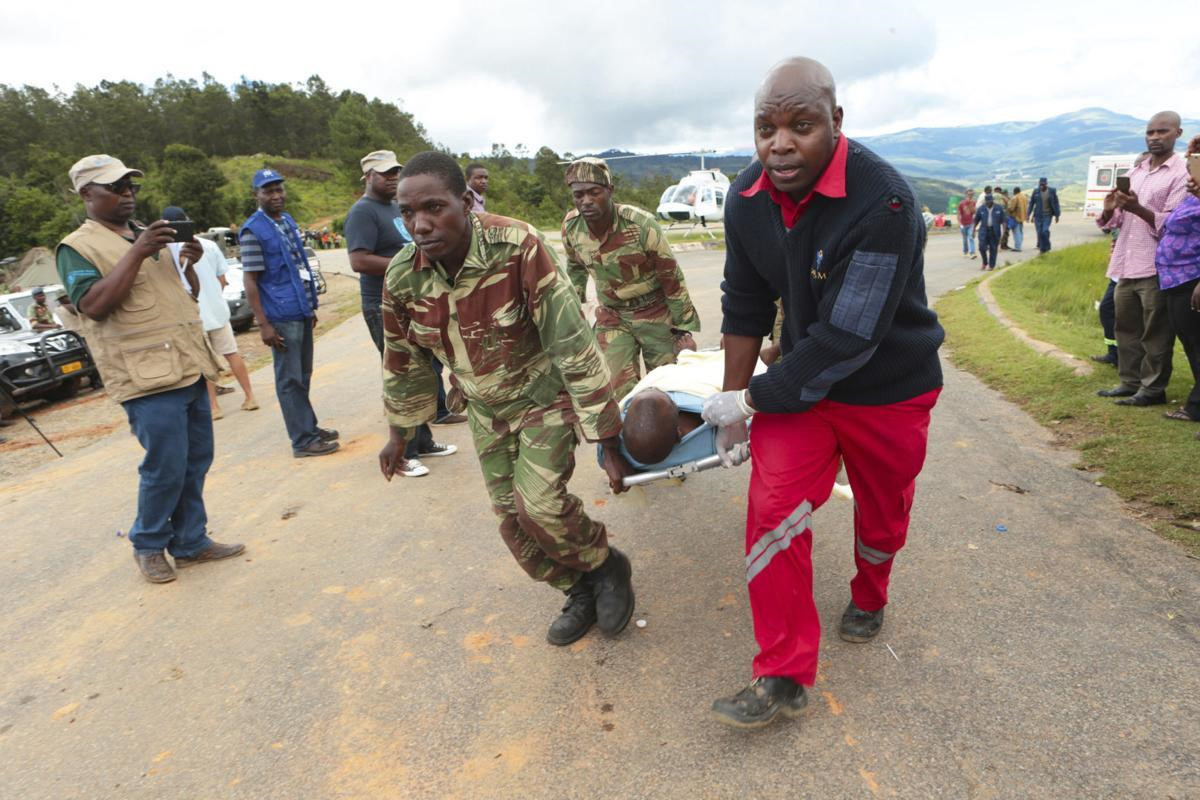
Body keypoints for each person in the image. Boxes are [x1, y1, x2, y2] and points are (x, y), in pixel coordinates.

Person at [702, 58, 944, 729]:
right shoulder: (746, 197)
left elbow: (848, 338)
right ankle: (781, 673)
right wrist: (732, 407)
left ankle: (871, 590)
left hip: (888, 391)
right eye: (766, 129)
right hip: (804, 393)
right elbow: (745, 303)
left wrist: (751, 401)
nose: (779, 145)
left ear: (836, 122)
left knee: (882, 514)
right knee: (772, 505)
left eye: (800, 126)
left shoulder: (884, 202)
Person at [379, 151, 636, 647]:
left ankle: (606, 565)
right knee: (513, 524)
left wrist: (608, 439)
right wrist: (399, 434)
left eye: (434, 207)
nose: (420, 224)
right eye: (407, 213)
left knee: (539, 506)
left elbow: (572, 344)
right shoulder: (403, 276)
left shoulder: (517, 246)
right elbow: (402, 360)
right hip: (484, 411)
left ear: (465, 201)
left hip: (542, 399)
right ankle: (579, 588)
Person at [55, 154, 243, 583]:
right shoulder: (76, 248)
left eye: (131, 187)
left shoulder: (147, 233)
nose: (127, 194)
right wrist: (138, 253)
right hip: (145, 377)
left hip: (187, 363)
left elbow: (184, 293)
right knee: (166, 465)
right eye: (115, 188)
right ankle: (148, 543)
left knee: (196, 459)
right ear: (86, 194)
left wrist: (189, 262)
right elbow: (93, 306)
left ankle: (191, 540)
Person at [344, 150, 459, 478]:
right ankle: (405, 453)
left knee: (426, 369)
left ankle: (423, 441)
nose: (393, 178)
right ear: (368, 176)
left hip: (416, 300)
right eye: (385, 173)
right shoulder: (363, 212)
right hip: (383, 302)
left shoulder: (398, 206)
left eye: (396, 171)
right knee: (402, 371)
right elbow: (359, 260)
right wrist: (412, 264)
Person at [561, 157, 700, 400]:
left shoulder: (640, 224)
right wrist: (576, 308)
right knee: (615, 389)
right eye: (578, 195)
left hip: (655, 312)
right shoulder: (572, 228)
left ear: (610, 190)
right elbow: (574, 266)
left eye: (594, 192)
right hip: (613, 316)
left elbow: (670, 275)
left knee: (667, 388)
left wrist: (682, 327)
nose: (586, 201)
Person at [239, 168, 339, 457]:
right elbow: (251, 280)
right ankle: (303, 441)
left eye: (279, 189)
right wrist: (263, 324)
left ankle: (309, 428)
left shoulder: (286, 221)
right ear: (256, 195)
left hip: (300, 310)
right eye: (268, 191)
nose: (276, 195)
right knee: (289, 379)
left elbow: (298, 269)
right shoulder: (253, 231)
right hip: (280, 316)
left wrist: (309, 307)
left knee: (302, 375)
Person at [1095, 112, 1189, 407]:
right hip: (1125, 264)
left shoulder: (1182, 173)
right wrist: (1110, 209)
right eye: (1150, 132)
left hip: (1157, 266)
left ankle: (1153, 389)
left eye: (1163, 131)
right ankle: (1129, 382)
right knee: (1125, 329)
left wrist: (1136, 208)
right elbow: (1114, 223)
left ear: (1178, 133)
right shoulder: (1136, 172)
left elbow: (1174, 224)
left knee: (1156, 333)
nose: (1155, 137)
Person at [161, 206, 258, 420]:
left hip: (193, 316)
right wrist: (213, 296)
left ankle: (214, 407)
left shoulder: (167, 252)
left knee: (205, 363)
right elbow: (222, 279)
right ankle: (250, 397)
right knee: (232, 353)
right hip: (218, 311)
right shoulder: (208, 245)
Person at [1154, 134, 1200, 423]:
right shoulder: (1192, 195)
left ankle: (1196, 406)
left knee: (1197, 343)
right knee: (1191, 344)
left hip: (1193, 278)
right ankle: (1196, 406)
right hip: (1175, 279)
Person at [1027, 177, 1060, 253]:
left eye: (1043, 184)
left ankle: (1046, 247)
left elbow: (1056, 203)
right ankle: (1043, 249)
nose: (1041, 186)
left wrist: (1057, 215)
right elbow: (1031, 203)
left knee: (1045, 231)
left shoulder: (1052, 191)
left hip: (1047, 215)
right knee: (1039, 232)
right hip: (1038, 216)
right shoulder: (1036, 192)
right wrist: (1028, 214)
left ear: (1046, 184)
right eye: (1040, 184)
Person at [974, 193, 1004, 270]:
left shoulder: (999, 208)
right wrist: (973, 230)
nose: (988, 203)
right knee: (981, 247)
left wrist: (1003, 233)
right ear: (985, 201)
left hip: (994, 231)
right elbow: (976, 220)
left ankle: (991, 265)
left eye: (990, 201)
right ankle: (985, 262)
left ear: (992, 200)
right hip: (983, 230)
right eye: (987, 202)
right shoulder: (981, 208)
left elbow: (1004, 221)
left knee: (993, 249)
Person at [956, 189, 977, 259]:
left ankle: (972, 253)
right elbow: (958, 214)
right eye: (969, 194)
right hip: (963, 224)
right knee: (965, 239)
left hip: (971, 223)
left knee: (971, 237)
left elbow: (974, 212)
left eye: (972, 194)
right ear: (966, 194)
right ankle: (965, 251)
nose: (970, 196)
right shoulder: (961, 203)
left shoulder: (973, 202)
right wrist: (959, 223)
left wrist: (970, 205)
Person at [1007, 186, 1027, 252]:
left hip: (1016, 217)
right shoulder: (1024, 197)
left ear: (1014, 191)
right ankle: (1019, 245)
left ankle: (1018, 247)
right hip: (1022, 216)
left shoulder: (1015, 198)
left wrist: (1008, 208)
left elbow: (1011, 208)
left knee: (1016, 232)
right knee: (1020, 232)